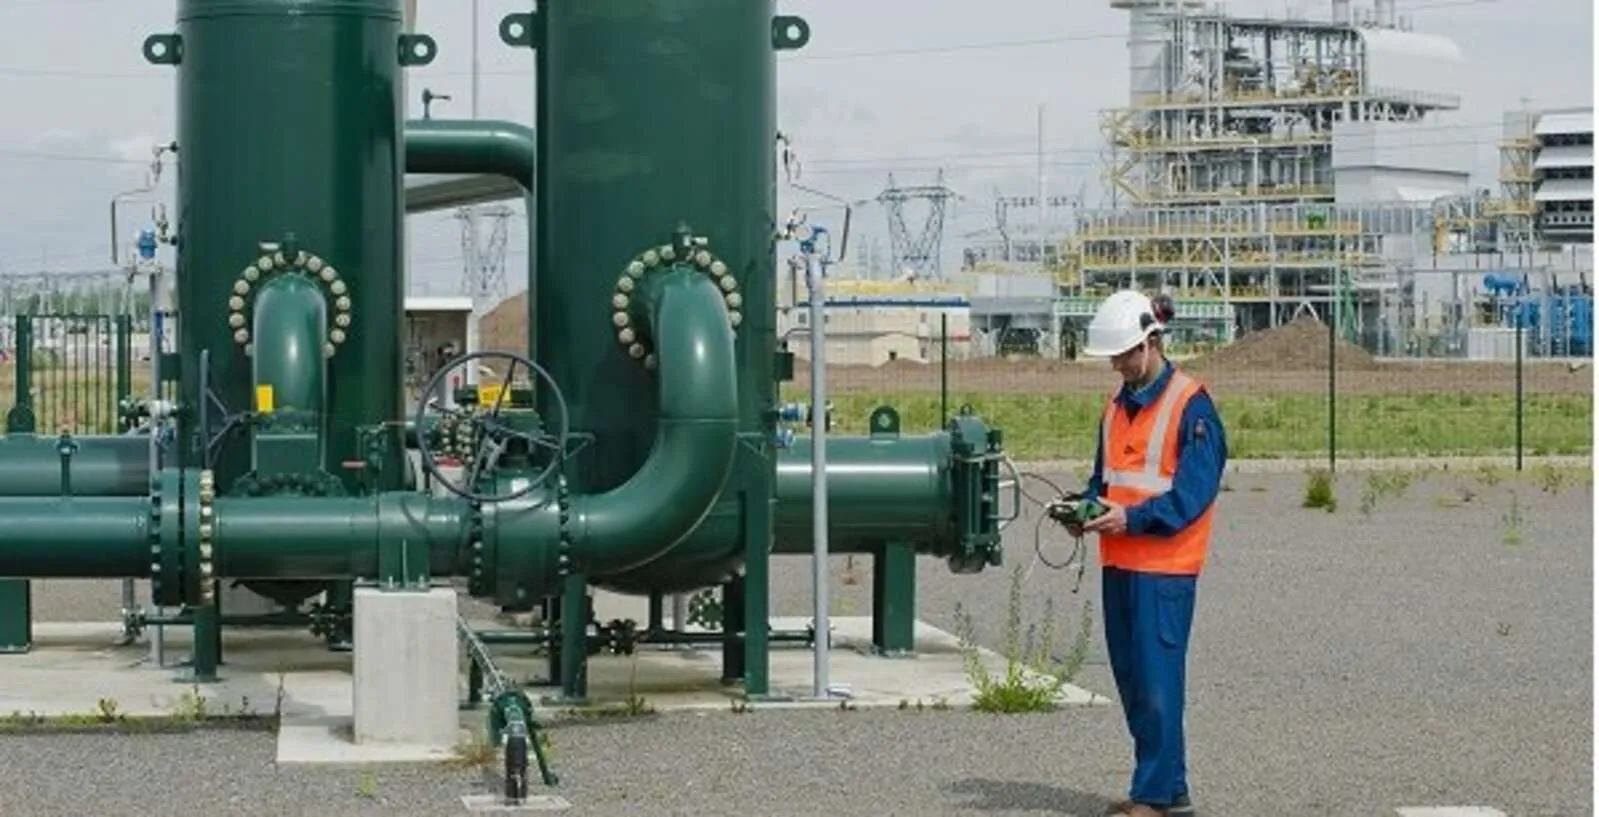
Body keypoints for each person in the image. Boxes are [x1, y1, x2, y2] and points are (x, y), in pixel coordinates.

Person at [1058, 290, 1228, 817]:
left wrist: (1130, 519)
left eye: (1124, 355)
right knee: (1134, 684)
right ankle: (1168, 791)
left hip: (1165, 570)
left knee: (1158, 685)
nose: (1117, 365)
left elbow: (1192, 496)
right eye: (1112, 357)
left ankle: (1154, 797)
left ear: (1151, 342)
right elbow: (1104, 481)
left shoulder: (1191, 405)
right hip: (1119, 564)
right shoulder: (1115, 408)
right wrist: (1084, 510)